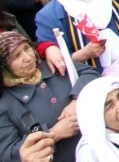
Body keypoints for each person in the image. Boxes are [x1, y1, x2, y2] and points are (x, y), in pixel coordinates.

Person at [0, 31, 99, 162]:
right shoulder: (5, 103)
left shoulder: (49, 64)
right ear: (4, 67)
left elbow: (90, 73)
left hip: (100, 146)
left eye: (27, 48)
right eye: (16, 56)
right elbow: (8, 154)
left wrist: (77, 100)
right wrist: (54, 134)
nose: (28, 58)